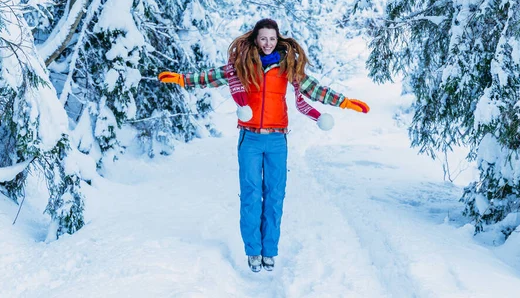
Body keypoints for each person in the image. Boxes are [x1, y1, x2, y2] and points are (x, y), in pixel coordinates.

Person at [158, 18, 369, 273]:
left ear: (277, 39)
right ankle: (252, 251)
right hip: (250, 139)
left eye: (272, 38)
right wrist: (181, 79)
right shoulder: (242, 66)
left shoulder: (288, 67)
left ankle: (269, 250)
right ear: (256, 40)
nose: (267, 43)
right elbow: (210, 77)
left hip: (277, 140)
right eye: (263, 38)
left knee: (274, 196)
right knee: (250, 196)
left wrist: (344, 102)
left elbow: (315, 90)